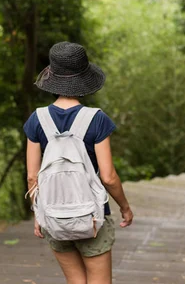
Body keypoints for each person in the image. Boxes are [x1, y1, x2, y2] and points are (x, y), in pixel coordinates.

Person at [24, 41, 134, 284]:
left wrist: (38, 214)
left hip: (53, 215)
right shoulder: (96, 119)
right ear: (84, 80)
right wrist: (125, 207)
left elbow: (33, 177)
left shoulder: (37, 119)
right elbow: (108, 177)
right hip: (92, 216)